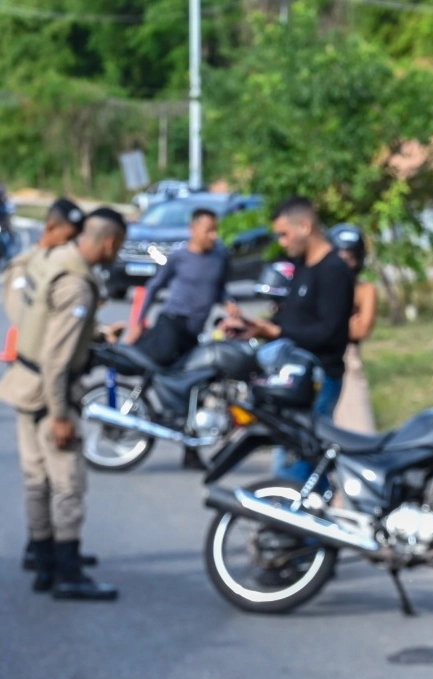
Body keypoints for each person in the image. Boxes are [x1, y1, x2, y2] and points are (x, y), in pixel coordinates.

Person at [0, 208, 127, 600]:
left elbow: (38, 315)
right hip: (49, 393)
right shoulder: (77, 285)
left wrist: (96, 334)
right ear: (108, 242)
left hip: (25, 382)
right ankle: (68, 574)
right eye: (118, 246)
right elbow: (57, 358)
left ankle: (43, 560)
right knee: (67, 482)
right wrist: (59, 415)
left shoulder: (51, 260)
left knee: (36, 480)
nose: (117, 253)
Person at [222, 197, 353, 480]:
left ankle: (299, 520)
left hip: (320, 380)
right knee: (292, 460)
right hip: (294, 378)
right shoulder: (303, 265)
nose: (281, 242)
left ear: (305, 226)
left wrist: (278, 332)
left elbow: (330, 333)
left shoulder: (334, 270)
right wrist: (254, 327)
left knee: (296, 467)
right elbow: (292, 320)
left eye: (284, 234)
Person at [126, 206, 230, 469]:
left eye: (215, 230)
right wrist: (138, 322)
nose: (213, 236)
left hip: (195, 331)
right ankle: (152, 402)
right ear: (193, 230)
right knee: (159, 361)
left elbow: (218, 290)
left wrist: (229, 305)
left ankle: (190, 450)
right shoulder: (179, 257)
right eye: (208, 230)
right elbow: (153, 287)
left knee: (196, 385)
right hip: (172, 322)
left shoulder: (220, 257)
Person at [2, 197, 85, 328]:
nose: (71, 246)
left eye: (75, 240)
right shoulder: (22, 266)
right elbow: (22, 317)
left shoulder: (65, 269)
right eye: (68, 238)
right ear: (51, 227)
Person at [328, 222, 378, 434]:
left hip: (349, 361)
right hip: (320, 358)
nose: (345, 263)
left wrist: (326, 322)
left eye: (350, 258)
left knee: (359, 431)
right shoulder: (322, 285)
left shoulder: (365, 290)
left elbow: (361, 330)